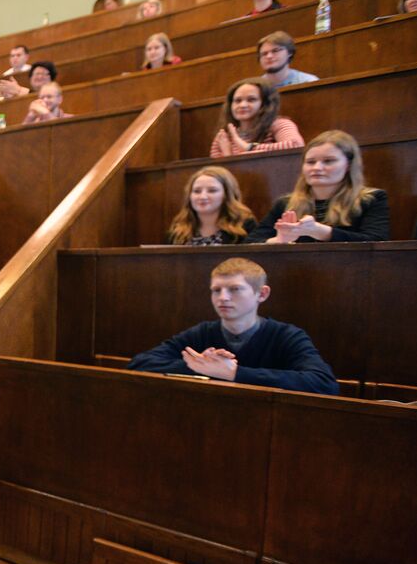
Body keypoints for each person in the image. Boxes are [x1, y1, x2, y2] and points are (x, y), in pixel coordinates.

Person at [127, 258, 339, 395]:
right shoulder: (203, 332)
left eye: (235, 289)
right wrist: (202, 368)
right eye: (216, 290)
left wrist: (234, 373)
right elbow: (139, 364)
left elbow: (324, 384)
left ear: (262, 294)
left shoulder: (286, 335)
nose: (223, 298)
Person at [247, 130, 390, 243]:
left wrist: (319, 231)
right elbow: (251, 242)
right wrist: (278, 240)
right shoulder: (285, 203)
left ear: (348, 165)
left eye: (328, 161)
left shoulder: (372, 199)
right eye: (310, 162)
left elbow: (376, 242)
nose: (317, 167)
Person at [210, 77, 304, 157]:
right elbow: (219, 175)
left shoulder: (279, 124)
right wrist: (228, 155)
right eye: (238, 101)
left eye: (251, 99)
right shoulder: (224, 136)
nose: (242, 105)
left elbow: (296, 145)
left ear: (265, 104)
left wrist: (248, 147)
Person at [164, 166, 256, 245]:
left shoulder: (244, 227)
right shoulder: (177, 232)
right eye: (197, 191)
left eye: (212, 190)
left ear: (226, 195)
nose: (203, 196)